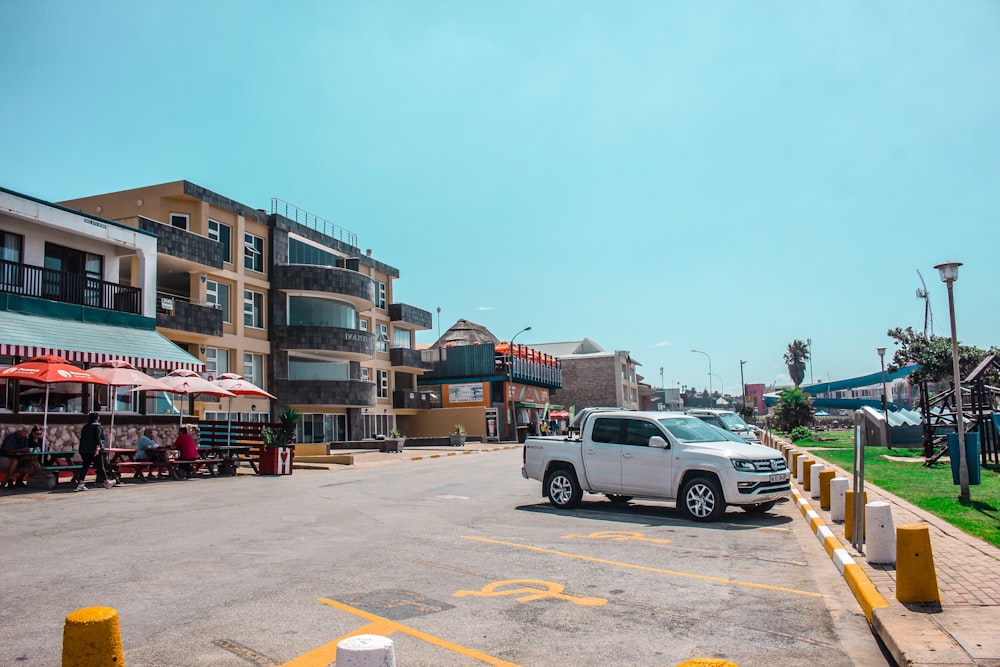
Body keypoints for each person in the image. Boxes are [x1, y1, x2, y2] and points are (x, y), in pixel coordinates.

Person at [75, 412, 114, 491]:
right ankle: (106, 482)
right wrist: (97, 448)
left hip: (84, 450)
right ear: (97, 418)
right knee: (100, 466)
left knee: (85, 467)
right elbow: (97, 437)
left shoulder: (85, 427)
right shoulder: (97, 426)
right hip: (94, 450)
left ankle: (80, 483)